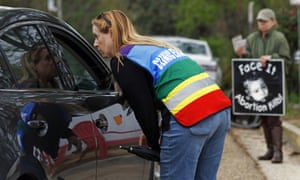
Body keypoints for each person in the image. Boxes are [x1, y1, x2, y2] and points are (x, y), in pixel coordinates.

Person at [92, 10, 231, 180]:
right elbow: (161, 92)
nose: (95, 43)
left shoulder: (122, 59)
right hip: (219, 111)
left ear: (112, 33)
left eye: (98, 36)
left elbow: (143, 107)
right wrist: (156, 130)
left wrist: (154, 143)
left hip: (190, 117)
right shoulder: (153, 47)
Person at [235, 8, 291, 163]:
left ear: (273, 22)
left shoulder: (280, 38)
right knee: (263, 119)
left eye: (265, 21)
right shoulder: (252, 38)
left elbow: (287, 60)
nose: (262, 24)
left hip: (274, 87)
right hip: (257, 85)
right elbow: (248, 60)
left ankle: (278, 152)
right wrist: (241, 53)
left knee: (274, 118)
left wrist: (272, 58)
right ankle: (270, 150)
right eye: (260, 21)